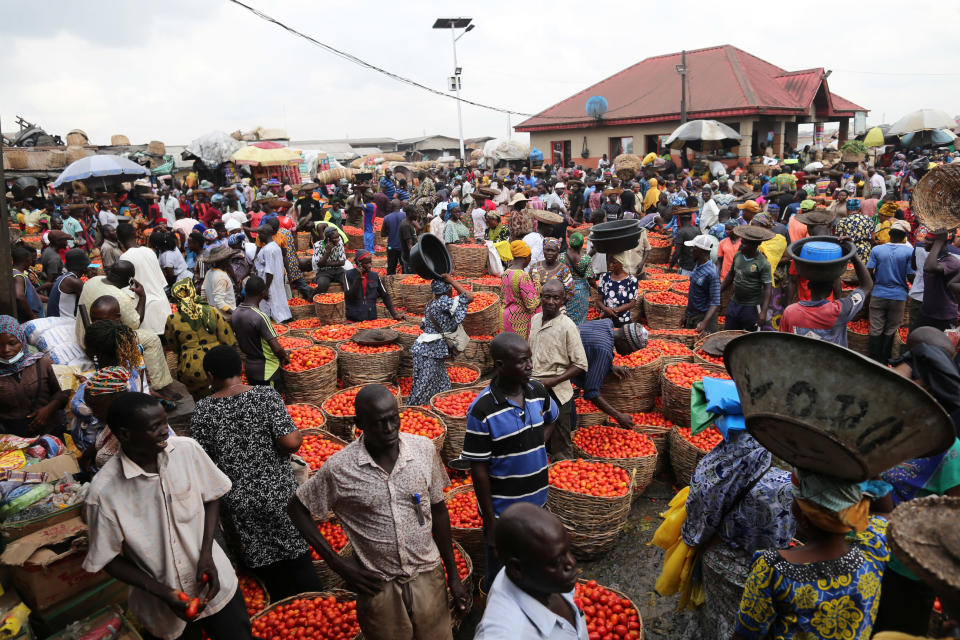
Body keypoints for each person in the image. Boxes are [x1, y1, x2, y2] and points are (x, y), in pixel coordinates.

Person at [287, 384, 469, 640]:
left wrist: (453, 574)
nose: (389, 429)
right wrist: (337, 563)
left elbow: (438, 510)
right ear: (359, 423)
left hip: (427, 574)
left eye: (393, 419)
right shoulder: (340, 468)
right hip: (378, 586)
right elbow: (297, 508)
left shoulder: (423, 450)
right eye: (379, 423)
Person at [83, 392, 250, 640]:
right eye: (155, 427)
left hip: (216, 583)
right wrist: (162, 592)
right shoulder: (104, 493)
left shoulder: (187, 451)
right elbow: (107, 559)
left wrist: (206, 554)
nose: (165, 431)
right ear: (126, 434)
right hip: (162, 606)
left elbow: (212, 495)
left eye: (164, 422)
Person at [190, 346, 321, 600]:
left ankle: (281, 607)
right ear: (240, 369)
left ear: (210, 375)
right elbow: (291, 443)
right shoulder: (265, 397)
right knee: (298, 558)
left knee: (267, 567)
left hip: (237, 502)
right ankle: (317, 604)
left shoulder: (203, 411)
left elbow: (203, 464)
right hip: (279, 495)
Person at [732, 472, 890, 640]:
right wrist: (867, 468)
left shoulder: (774, 568)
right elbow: (884, 510)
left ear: (803, 517)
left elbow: (746, 634)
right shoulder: (873, 550)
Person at [461, 333, 562, 589]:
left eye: (529, 359)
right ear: (500, 365)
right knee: (503, 577)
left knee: (535, 570)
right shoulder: (482, 409)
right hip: (503, 514)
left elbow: (552, 417)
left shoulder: (538, 391)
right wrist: (491, 523)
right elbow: (479, 468)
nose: (530, 366)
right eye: (521, 361)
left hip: (538, 503)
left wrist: (538, 440)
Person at [678, 431, 796, 640]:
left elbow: (702, 504)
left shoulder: (732, 455)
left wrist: (695, 539)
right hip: (764, 572)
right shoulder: (794, 487)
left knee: (716, 616)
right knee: (744, 624)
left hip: (720, 559)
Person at [474, 503, 586, 640]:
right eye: (556, 562)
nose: (572, 563)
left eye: (568, 550)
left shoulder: (541, 578)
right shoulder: (505, 635)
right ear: (517, 568)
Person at [76, 261, 176, 397]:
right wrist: (143, 296)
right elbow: (135, 324)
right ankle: (161, 386)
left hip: (85, 336)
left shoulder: (93, 280)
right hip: (104, 341)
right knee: (152, 339)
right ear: (129, 280)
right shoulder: (120, 297)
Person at [528, 280, 588, 459]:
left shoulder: (567, 326)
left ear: (563, 300)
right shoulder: (535, 319)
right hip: (534, 387)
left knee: (560, 440)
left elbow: (580, 364)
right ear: (540, 298)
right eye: (547, 297)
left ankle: (563, 472)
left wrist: (553, 381)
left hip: (557, 390)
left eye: (556, 298)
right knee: (536, 434)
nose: (551, 302)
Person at [164, 278, 236, 398]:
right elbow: (227, 339)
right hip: (217, 363)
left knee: (200, 402)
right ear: (193, 291)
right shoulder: (211, 311)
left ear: (176, 297)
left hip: (191, 368)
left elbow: (173, 346)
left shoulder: (173, 319)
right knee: (223, 398)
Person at [407, 275, 473, 406]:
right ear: (447, 290)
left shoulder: (430, 304)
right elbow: (469, 297)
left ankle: (439, 406)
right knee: (423, 386)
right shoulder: (444, 302)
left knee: (440, 382)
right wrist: (452, 281)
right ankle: (411, 409)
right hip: (430, 351)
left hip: (425, 350)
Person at [0, 315, 68, 436]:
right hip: (12, 440)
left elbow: (64, 390)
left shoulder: (43, 363)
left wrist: (48, 410)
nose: (6, 350)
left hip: (50, 432)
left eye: (12, 343)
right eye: (0, 345)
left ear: (21, 341)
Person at [866, 220, 914, 361]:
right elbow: (910, 275)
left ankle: (873, 361)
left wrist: (877, 282)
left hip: (878, 294)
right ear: (904, 236)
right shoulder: (909, 251)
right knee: (891, 328)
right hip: (898, 296)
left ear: (889, 233)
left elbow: (868, 270)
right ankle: (885, 360)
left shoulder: (877, 250)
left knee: (876, 328)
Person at [230, 276, 289, 387]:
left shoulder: (235, 313)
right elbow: (276, 348)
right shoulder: (260, 316)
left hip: (250, 369)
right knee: (270, 403)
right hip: (267, 371)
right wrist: (284, 356)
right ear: (262, 294)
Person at [117, 223, 169, 335]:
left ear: (119, 239)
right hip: (162, 304)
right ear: (136, 235)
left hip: (145, 310)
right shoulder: (149, 251)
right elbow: (161, 282)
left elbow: (128, 291)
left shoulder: (124, 258)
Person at [720, 226, 774, 332]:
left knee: (749, 338)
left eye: (744, 243)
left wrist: (763, 312)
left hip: (752, 307)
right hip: (734, 302)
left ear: (754, 245)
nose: (741, 245)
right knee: (728, 333)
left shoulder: (763, 263)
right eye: (742, 242)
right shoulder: (738, 256)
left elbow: (768, 288)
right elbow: (730, 275)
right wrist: (718, 292)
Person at [344, 249, 403, 322]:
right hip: (353, 319)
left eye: (370, 262)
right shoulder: (348, 275)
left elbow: (385, 295)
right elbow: (348, 296)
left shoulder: (374, 276)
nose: (370, 265)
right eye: (366, 263)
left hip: (371, 318)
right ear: (359, 263)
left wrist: (394, 315)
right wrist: (358, 279)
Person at [918, 231, 960, 330]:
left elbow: (928, 267)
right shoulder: (937, 259)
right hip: (927, 313)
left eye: (928, 240)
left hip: (944, 317)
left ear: (940, 243)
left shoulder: (951, 262)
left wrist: (939, 242)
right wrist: (937, 242)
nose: (925, 242)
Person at [502, 240, 541, 340]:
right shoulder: (522, 276)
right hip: (519, 319)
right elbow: (531, 304)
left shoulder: (506, 272)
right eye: (530, 256)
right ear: (526, 258)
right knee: (519, 348)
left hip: (506, 315)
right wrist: (538, 286)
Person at [252, 224, 291, 323]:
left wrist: (265, 289)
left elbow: (269, 271)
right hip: (275, 281)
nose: (258, 236)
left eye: (259, 234)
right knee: (278, 305)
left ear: (264, 234)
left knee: (271, 308)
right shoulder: (275, 247)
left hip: (268, 283)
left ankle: (276, 327)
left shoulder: (268, 249)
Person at [684, 235, 722, 335]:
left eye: (693, 248)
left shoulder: (712, 273)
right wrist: (686, 315)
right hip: (693, 315)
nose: (691, 251)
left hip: (703, 318)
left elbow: (715, 302)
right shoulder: (698, 265)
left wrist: (704, 323)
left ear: (700, 251)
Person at [559, 233, 595, 325]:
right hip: (581, 291)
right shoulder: (586, 259)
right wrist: (597, 288)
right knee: (580, 318)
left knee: (566, 315)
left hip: (565, 288)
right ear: (582, 244)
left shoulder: (561, 257)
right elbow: (590, 278)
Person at [596, 253, 638, 327]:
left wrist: (614, 311)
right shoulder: (604, 277)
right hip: (605, 318)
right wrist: (605, 309)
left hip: (623, 319)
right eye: (609, 262)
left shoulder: (631, 280)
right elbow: (599, 300)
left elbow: (632, 303)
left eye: (614, 263)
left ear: (621, 263)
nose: (610, 265)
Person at [45, 248, 87, 319]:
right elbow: (88, 301)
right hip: (64, 322)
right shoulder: (74, 281)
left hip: (54, 319)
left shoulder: (64, 277)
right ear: (84, 267)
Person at [670, 208, 700, 275]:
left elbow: (677, 252)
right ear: (690, 219)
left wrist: (671, 265)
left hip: (686, 267)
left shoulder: (681, 232)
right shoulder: (697, 230)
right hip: (696, 266)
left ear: (680, 220)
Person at [381, 203, 406, 275]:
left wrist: (391, 232)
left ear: (391, 207)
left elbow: (382, 234)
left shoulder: (387, 218)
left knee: (391, 268)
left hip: (391, 247)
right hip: (403, 247)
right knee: (405, 267)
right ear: (400, 206)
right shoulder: (405, 215)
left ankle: (391, 284)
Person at [398, 205, 420, 273]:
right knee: (410, 276)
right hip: (409, 259)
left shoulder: (410, 222)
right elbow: (409, 245)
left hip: (410, 258)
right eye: (416, 213)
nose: (417, 215)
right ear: (410, 213)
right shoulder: (405, 225)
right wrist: (416, 258)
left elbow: (414, 235)